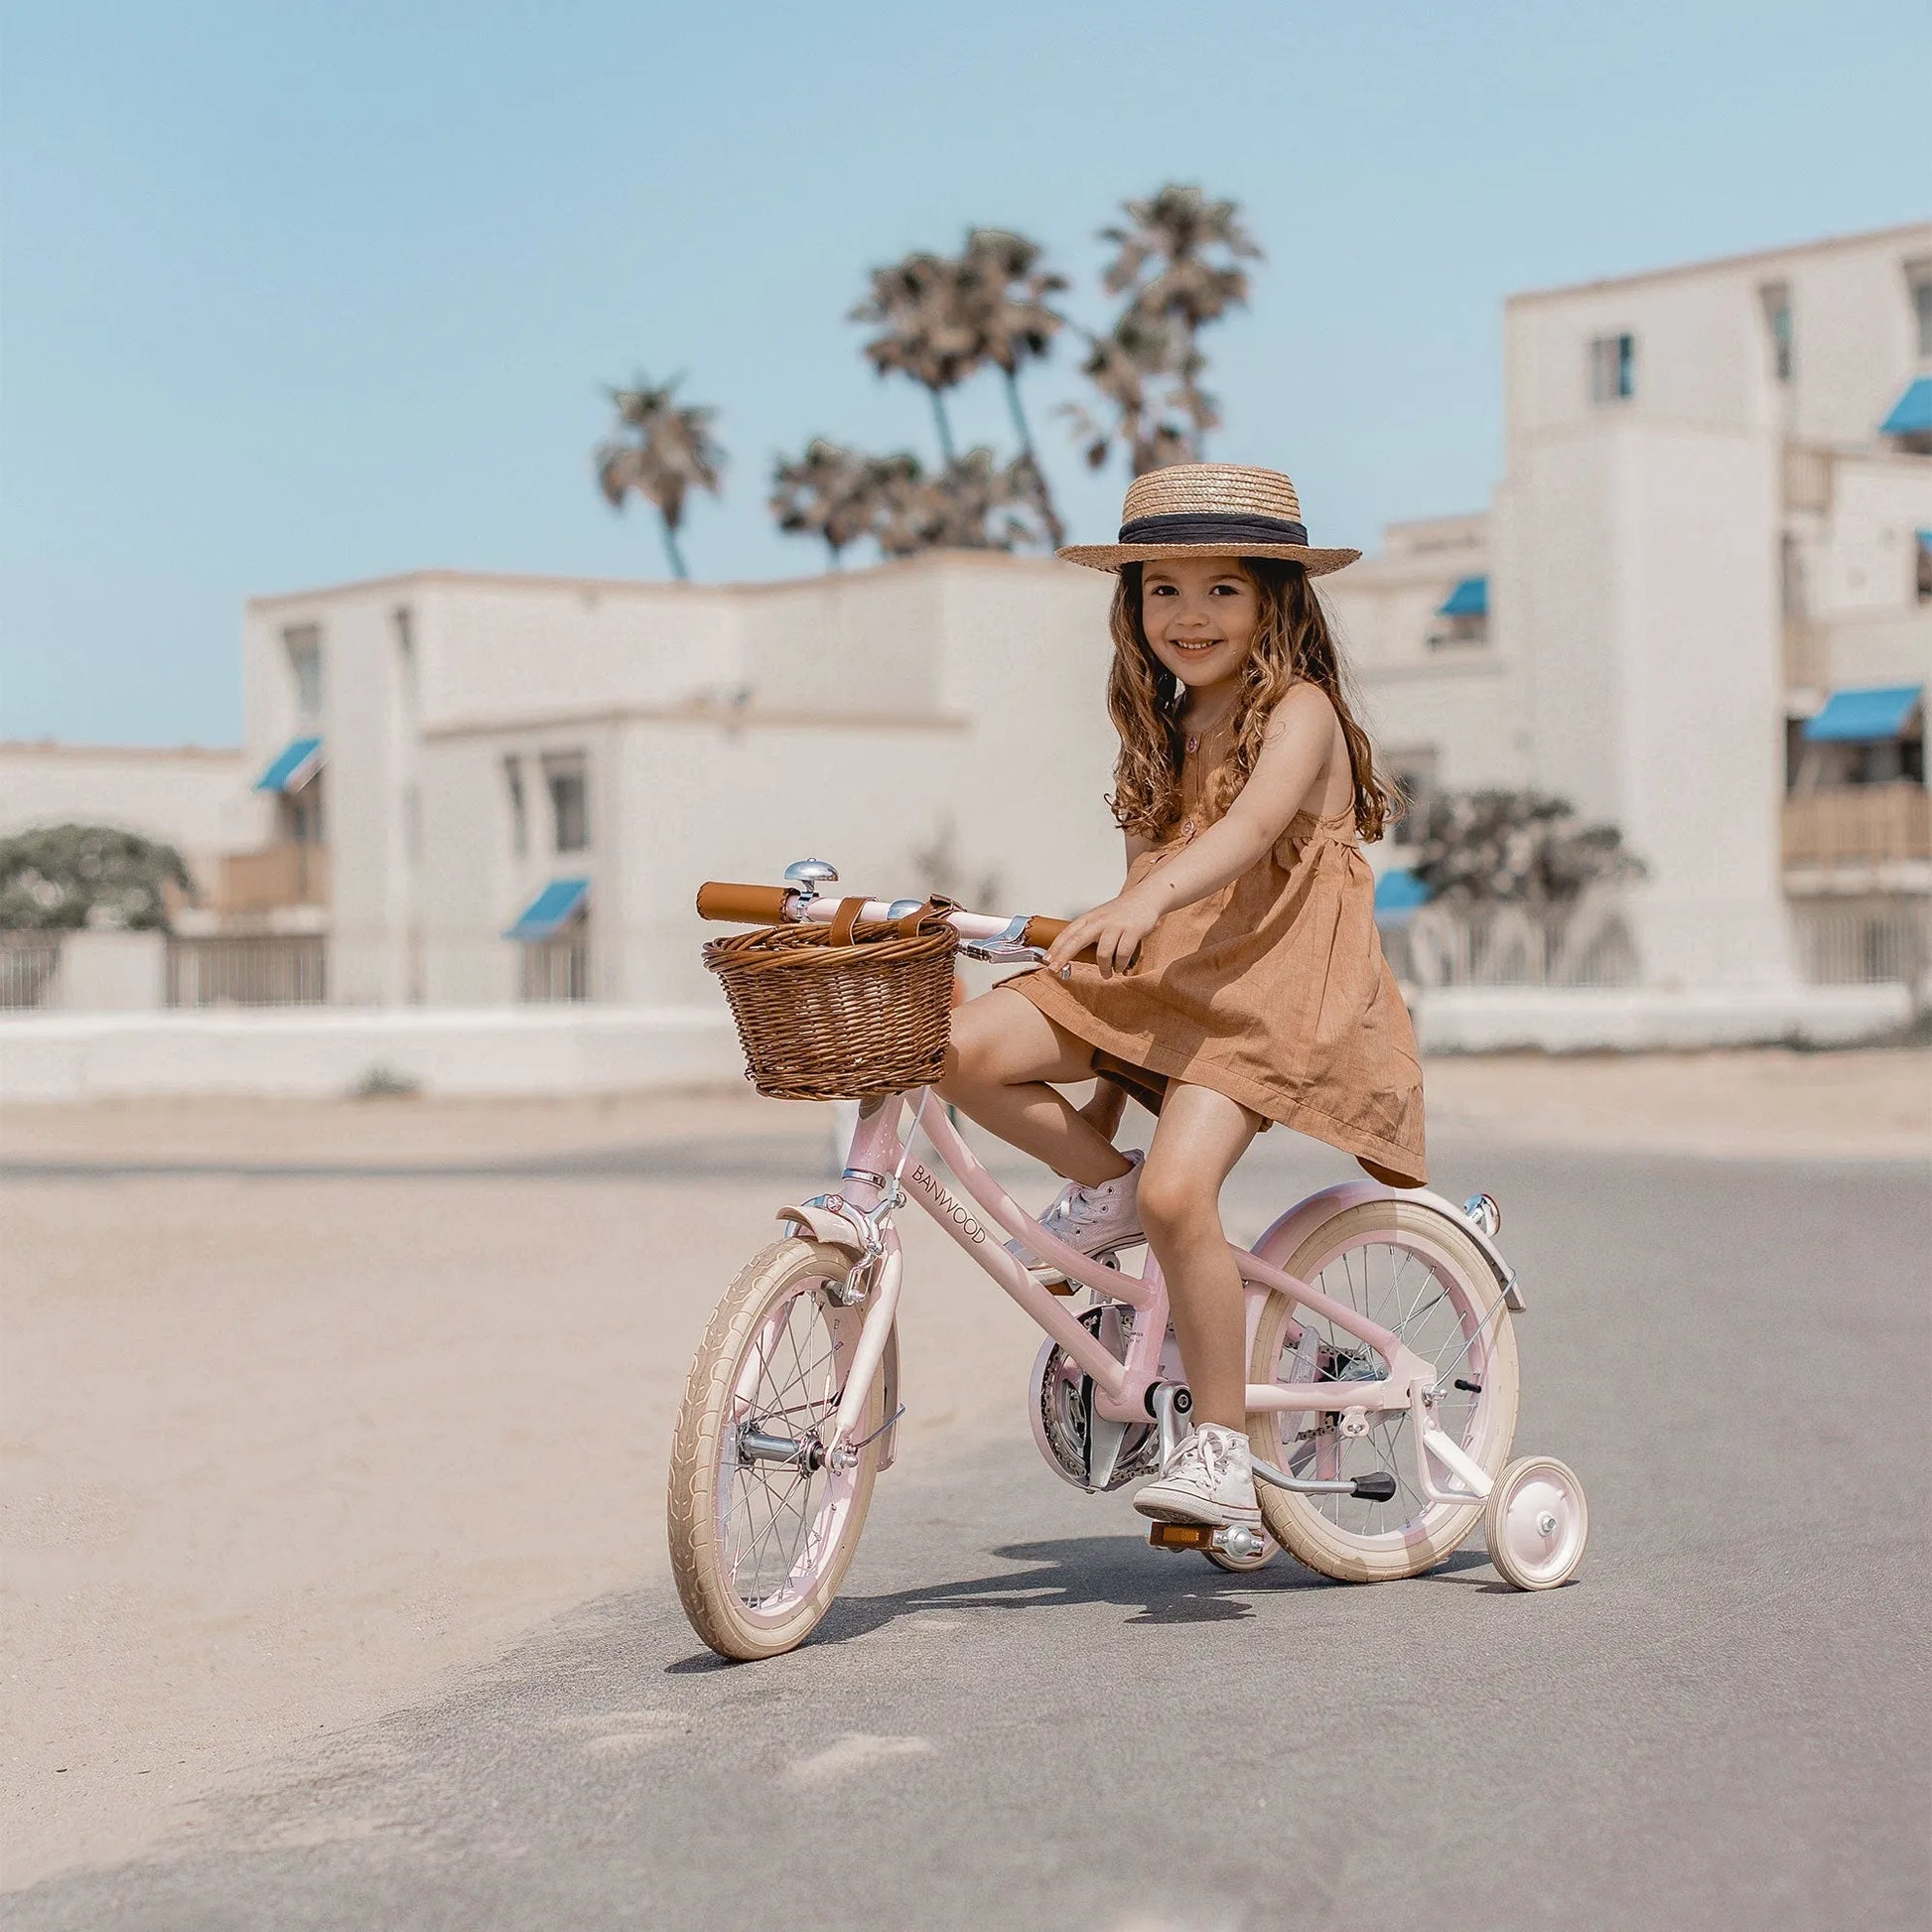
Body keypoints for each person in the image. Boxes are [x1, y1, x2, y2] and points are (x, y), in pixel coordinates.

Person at [937, 464, 1426, 1531]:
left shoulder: (1299, 712)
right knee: (954, 1046)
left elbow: (1247, 835)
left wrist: (1136, 902)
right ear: (1133, 606)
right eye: (1163, 589)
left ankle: (1220, 1450)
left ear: (1272, 600)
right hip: (1176, 972)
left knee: (1177, 1200)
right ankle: (1107, 1185)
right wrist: (1103, 1101)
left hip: (1270, 988)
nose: (1189, 615)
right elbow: (1139, 912)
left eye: (1220, 589)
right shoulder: (1158, 726)